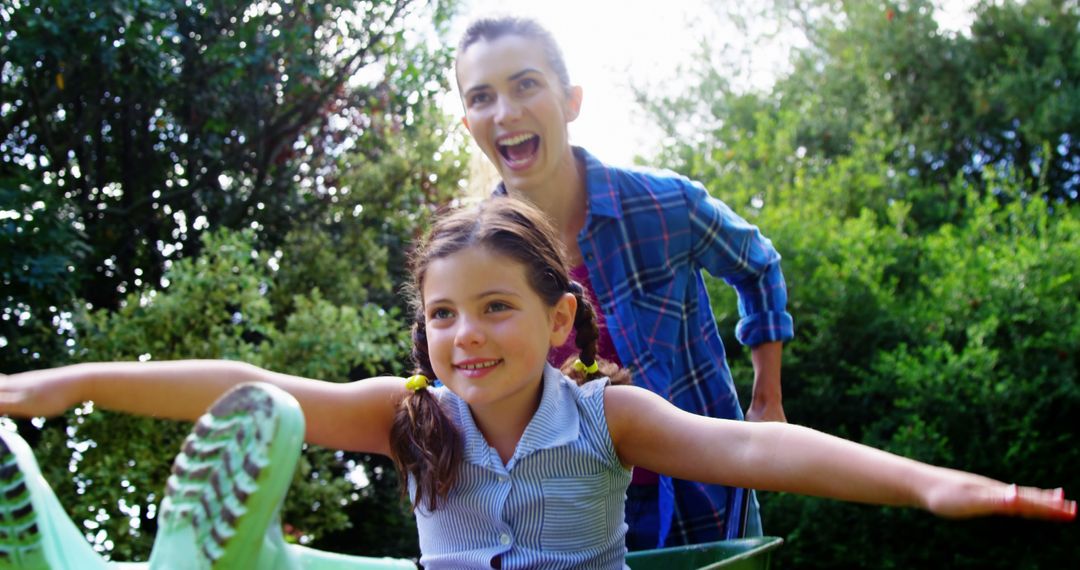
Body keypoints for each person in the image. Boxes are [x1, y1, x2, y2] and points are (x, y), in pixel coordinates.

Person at [0, 198, 1075, 570]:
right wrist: (77, 382)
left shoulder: (611, 416)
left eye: (496, 308)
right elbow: (250, 385)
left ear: (558, 319)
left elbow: (756, 449)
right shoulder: (406, 415)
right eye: (441, 314)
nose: (466, 335)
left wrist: (936, 484)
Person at [454, 15, 790, 548]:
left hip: (703, 490)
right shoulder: (473, 257)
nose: (506, 112)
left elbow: (759, 265)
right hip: (568, 515)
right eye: (481, 97)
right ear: (468, 122)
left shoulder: (665, 204)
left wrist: (766, 399)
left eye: (525, 84)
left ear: (571, 101)